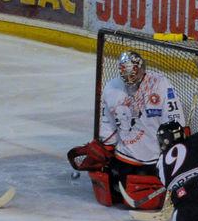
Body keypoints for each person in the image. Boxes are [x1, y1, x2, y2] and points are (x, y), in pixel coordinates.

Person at [68, 51, 185, 209]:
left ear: (142, 69)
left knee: (145, 197)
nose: (129, 79)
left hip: (156, 159)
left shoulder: (160, 84)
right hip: (125, 158)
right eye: (125, 74)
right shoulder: (112, 88)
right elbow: (108, 124)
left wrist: (175, 149)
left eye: (133, 74)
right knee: (116, 191)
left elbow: (175, 119)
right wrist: (106, 146)